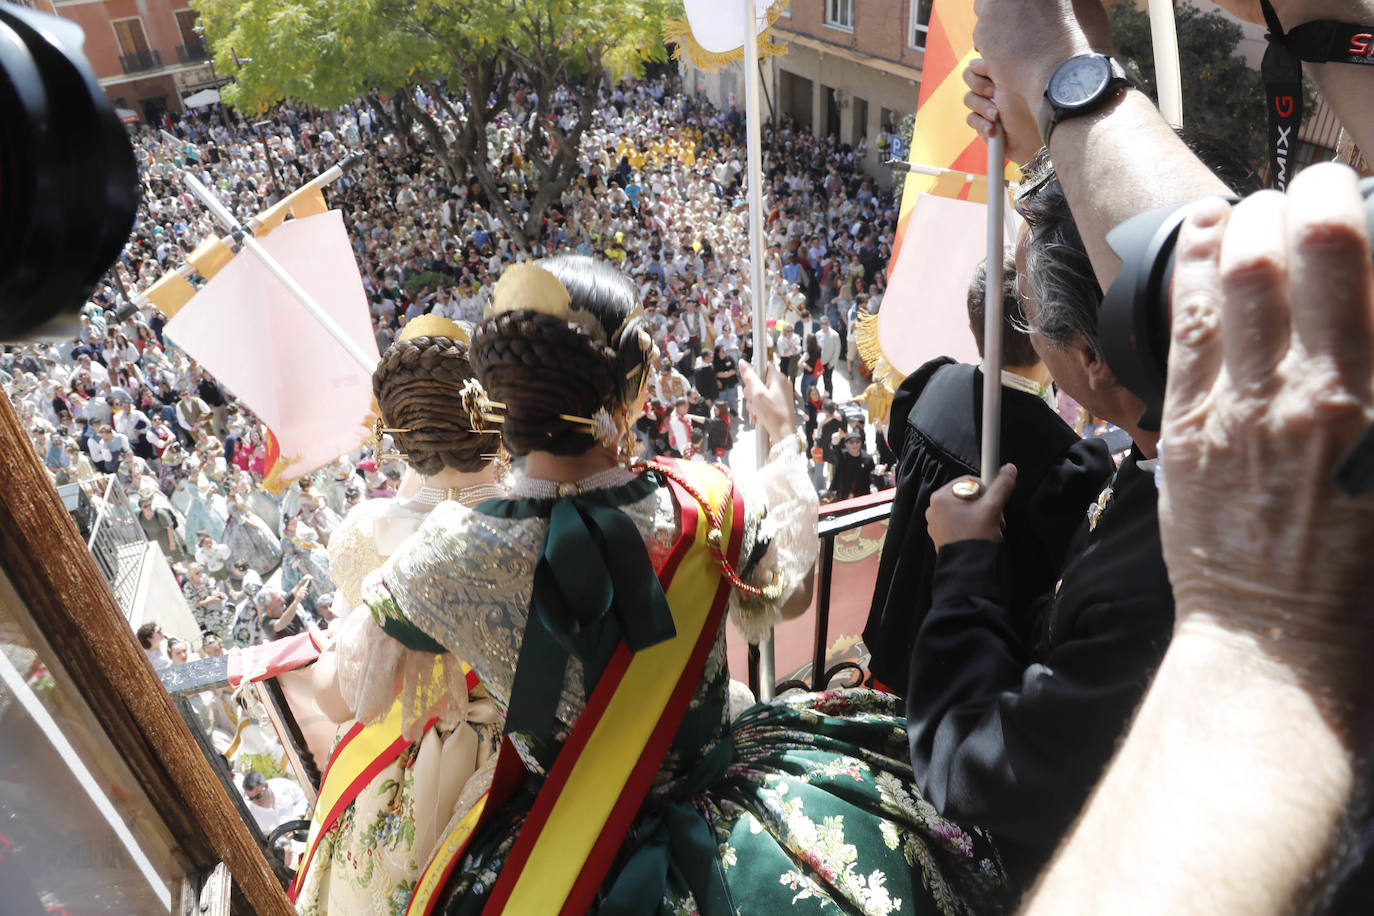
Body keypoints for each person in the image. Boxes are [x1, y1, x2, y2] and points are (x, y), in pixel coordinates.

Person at [328, 257, 1007, 914]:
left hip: (562, 843)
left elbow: (349, 693)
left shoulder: (445, 555)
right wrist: (786, 442)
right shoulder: (702, 499)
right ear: (628, 388)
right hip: (736, 811)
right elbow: (791, 596)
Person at [294, 315, 508, 914]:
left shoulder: (368, 532)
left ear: (397, 435)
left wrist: (333, 647)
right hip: (522, 762)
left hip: (398, 781)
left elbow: (339, 702)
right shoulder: (538, 513)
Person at [863, 255, 1112, 696]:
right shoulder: (1066, 460)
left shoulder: (930, 383)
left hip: (895, 643)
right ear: (1046, 334)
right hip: (969, 683)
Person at [241, 770, 310, 837]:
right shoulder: (249, 811)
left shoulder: (282, 785)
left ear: (266, 786)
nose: (255, 801)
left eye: (258, 796)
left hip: (305, 829)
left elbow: (302, 797)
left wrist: (298, 816)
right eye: (251, 798)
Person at [827, 431, 876, 501]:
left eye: (857, 442)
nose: (855, 444)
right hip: (842, 496)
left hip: (862, 497)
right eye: (851, 442)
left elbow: (872, 477)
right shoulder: (842, 456)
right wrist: (834, 442)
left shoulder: (867, 459)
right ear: (846, 444)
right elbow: (835, 451)